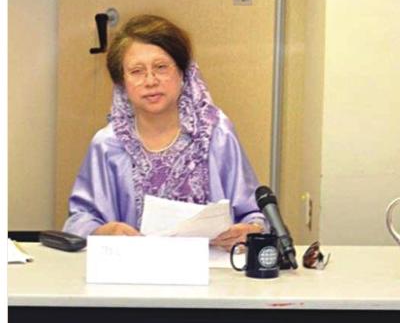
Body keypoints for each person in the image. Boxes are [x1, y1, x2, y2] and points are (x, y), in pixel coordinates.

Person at [63, 14, 266, 250]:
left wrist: (250, 231)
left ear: (182, 73)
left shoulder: (215, 132)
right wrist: (104, 231)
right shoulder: (108, 144)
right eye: (136, 71)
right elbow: (78, 222)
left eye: (161, 67)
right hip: (130, 269)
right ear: (122, 83)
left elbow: (255, 215)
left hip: (210, 268)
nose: (150, 81)